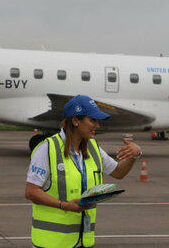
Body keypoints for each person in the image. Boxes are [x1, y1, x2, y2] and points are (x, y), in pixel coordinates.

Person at [25, 95, 142, 248]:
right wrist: (63, 205)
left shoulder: (93, 148)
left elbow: (118, 172)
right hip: (51, 243)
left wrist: (134, 155)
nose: (97, 125)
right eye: (92, 120)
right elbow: (31, 191)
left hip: (83, 242)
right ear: (75, 121)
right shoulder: (47, 148)